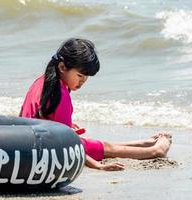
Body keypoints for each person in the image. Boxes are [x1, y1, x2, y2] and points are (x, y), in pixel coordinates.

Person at [20, 38, 172, 171]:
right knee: (105, 148)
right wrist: (97, 166)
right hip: (47, 150)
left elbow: (36, 115)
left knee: (100, 144)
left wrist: (66, 124)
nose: (83, 81)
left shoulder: (43, 81)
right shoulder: (61, 94)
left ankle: (142, 143)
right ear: (62, 67)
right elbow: (69, 146)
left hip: (28, 142)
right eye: (79, 75)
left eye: (86, 77)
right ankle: (156, 151)